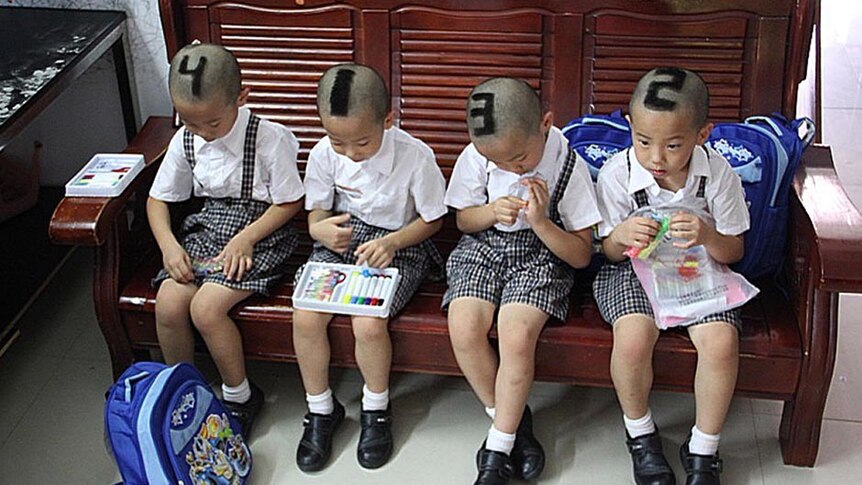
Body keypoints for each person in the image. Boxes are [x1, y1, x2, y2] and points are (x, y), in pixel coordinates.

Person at [593, 67, 750, 485]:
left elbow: (735, 250)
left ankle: (703, 447)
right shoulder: (617, 174)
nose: (656, 157)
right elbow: (606, 251)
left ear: (702, 135)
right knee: (632, 340)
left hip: (698, 267)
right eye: (643, 141)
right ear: (629, 126)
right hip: (633, 269)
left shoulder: (717, 175)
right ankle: (640, 433)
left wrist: (708, 235)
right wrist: (621, 236)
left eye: (673, 145)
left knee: (722, 342)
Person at [443, 77, 602, 485]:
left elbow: (582, 254)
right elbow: (463, 219)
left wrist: (541, 222)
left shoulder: (568, 164)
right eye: (497, 161)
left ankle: (496, 451)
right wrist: (492, 212)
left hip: (542, 257)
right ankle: (512, 423)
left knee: (516, 335)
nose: (510, 168)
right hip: (483, 249)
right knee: (463, 328)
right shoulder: (484, 153)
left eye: (519, 157)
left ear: (546, 123)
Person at [292, 63, 447, 472]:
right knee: (306, 315)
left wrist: (392, 242)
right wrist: (320, 230)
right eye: (337, 140)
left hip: (400, 244)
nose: (349, 153)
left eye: (361, 142)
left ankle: (376, 409)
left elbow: (433, 219)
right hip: (341, 239)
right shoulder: (326, 152)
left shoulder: (415, 157)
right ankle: (321, 409)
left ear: (388, 119)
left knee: (367, 321)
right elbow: (317, 214)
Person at [147, 43, 304, 439]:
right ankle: (184, 392)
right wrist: (169, 245)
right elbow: (157, 200)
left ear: (241, 97)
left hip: (262, 230)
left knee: (206, 308)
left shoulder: (268, 139)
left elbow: (290, 201)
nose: (202, 133)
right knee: (168, 302)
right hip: (209, 226)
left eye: (213, 124)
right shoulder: (186, 140)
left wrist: (246, 238)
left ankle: (239, 395)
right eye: (190, 122)